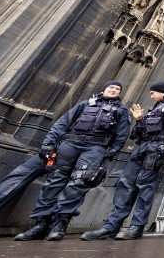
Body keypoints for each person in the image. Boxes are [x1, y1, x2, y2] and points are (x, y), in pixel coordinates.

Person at [13, 82, 131, 241]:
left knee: (78, 183)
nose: (114, 90)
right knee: (54, 181)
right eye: (111, 87)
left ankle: (60, 224)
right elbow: (63, 123)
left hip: (95, 147)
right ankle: (40, 224)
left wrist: (115, 149)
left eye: (118, 89)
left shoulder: (121, 111)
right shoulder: (85, 104)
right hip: (69, 144)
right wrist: (48, 143)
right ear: (104, 89)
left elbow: (123, 132)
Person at [80, 82, 164, 241]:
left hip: (157, 148)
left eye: (153, 93)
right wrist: (139, 120)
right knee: (125, 183)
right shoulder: (154, 108)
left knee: (145, 185)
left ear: (162, 92)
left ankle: (136, 227)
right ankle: (110, 226)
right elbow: (139, 133)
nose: (151, 96)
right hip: (143, 147)